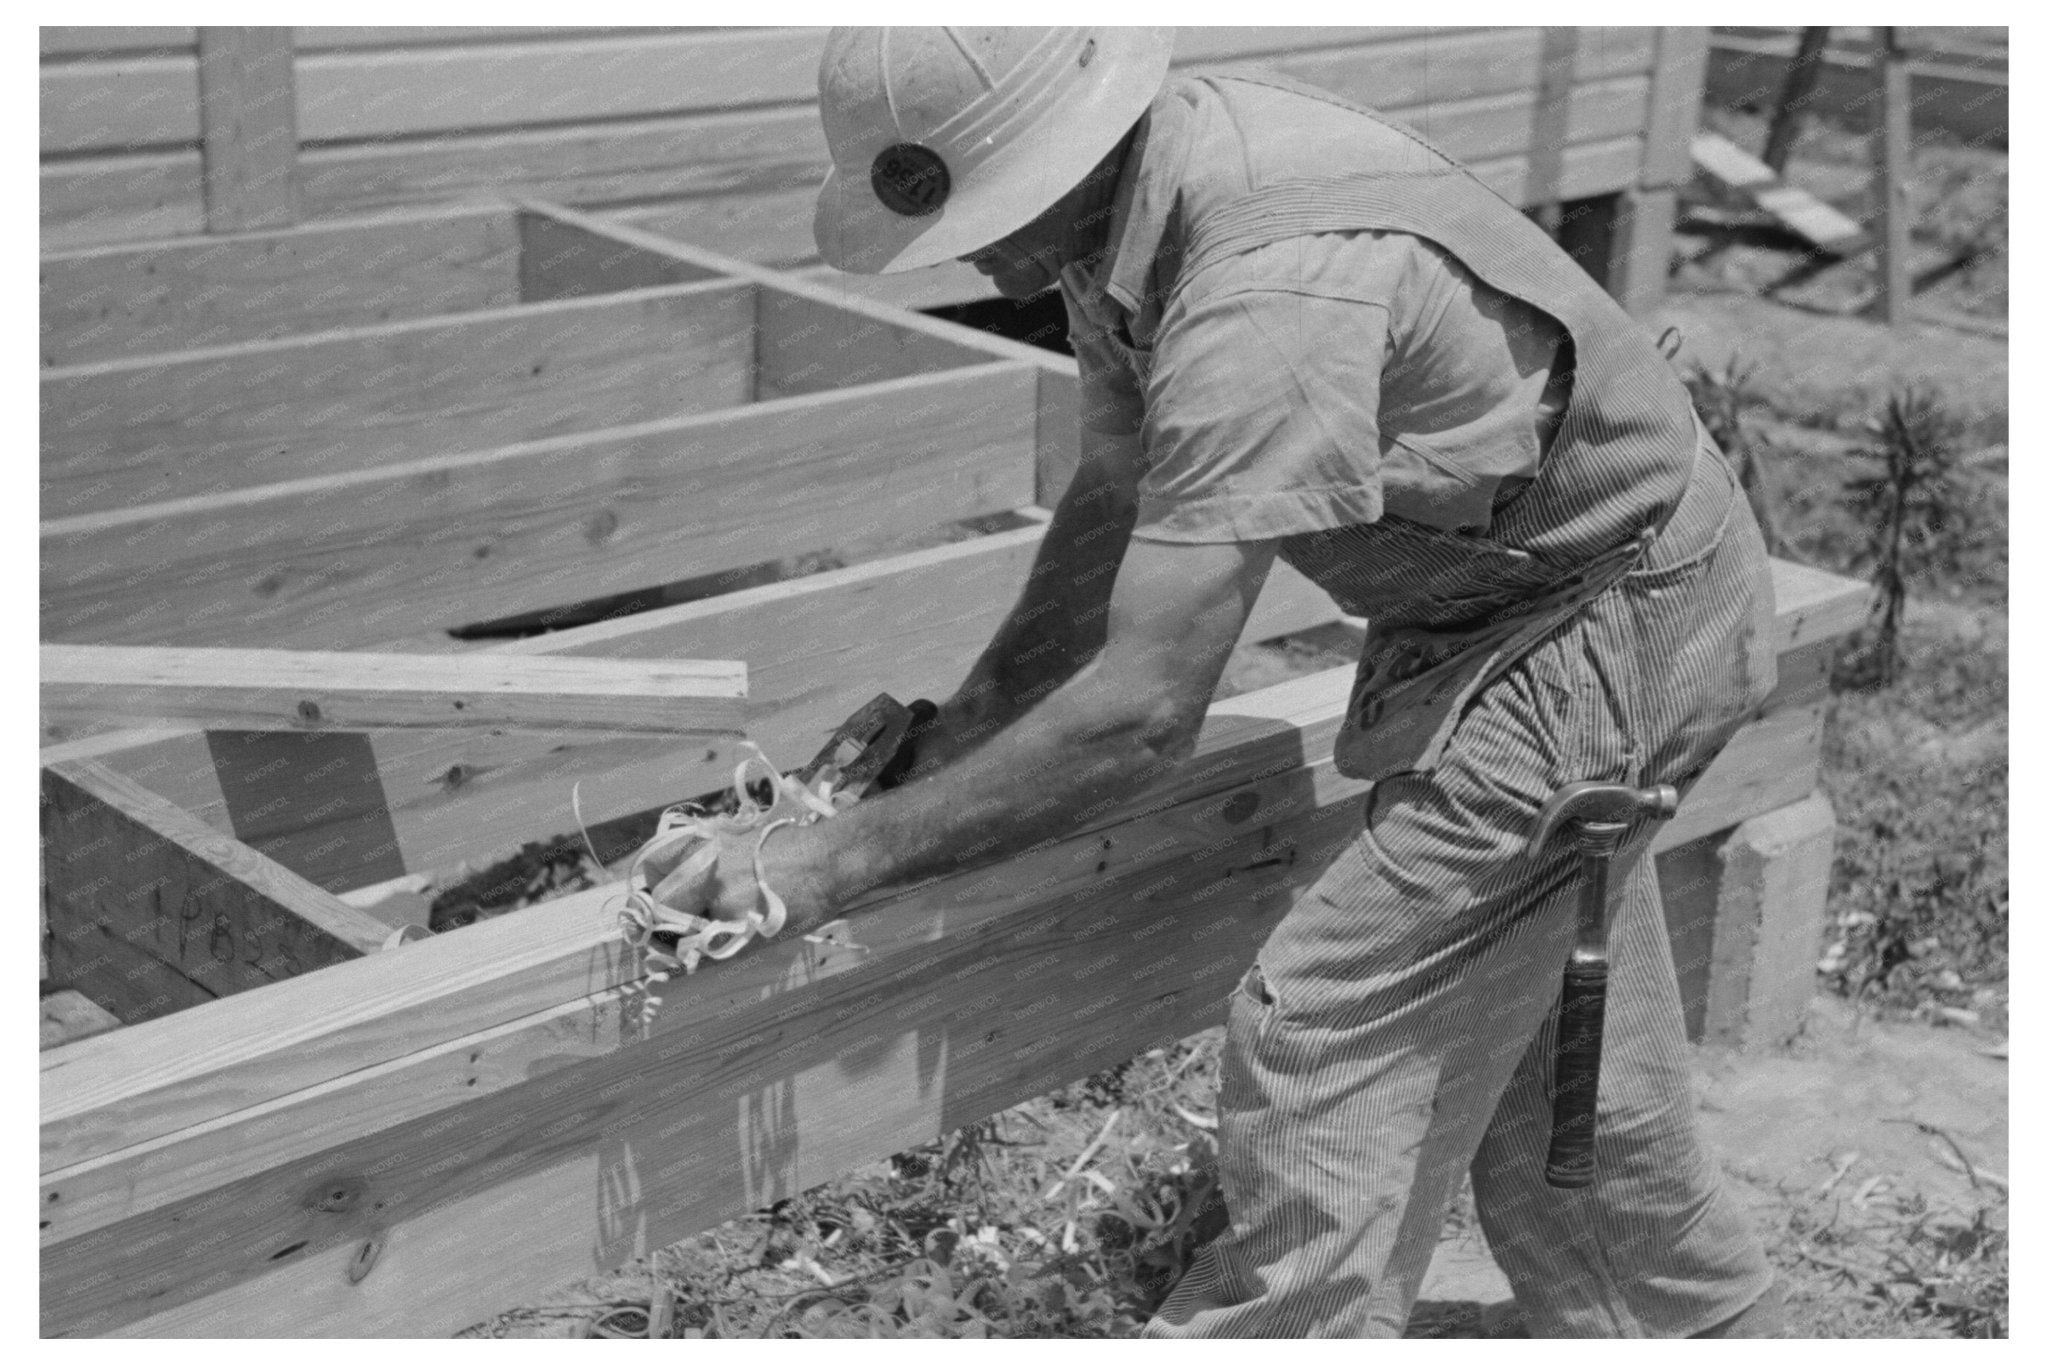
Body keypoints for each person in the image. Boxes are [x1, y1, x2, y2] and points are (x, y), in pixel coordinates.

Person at [678, 26, 1787, 1338]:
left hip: (1613, 613)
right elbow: (1118, 492)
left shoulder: (1263, 292)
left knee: (1329, 1030)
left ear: (1063, 153)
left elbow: (1145, 718)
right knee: (1549, 1043)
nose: (956, 255)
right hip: (1528, 596)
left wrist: (825, 865)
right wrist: (961, 735)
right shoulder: (1118, 219)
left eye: (978, 211)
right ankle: (1690, 1324)